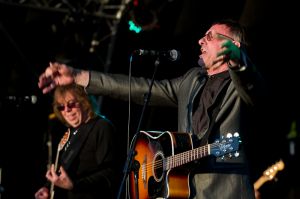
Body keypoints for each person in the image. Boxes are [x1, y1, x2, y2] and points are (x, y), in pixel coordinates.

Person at [37, 19, 267, 199]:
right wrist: (77, 76)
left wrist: (239, 61)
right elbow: (140, 88)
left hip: (224, 192)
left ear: (233, 45)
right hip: (183, 191)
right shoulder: (192, 80)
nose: (200, 41)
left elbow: (253, 85)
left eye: (209, 36)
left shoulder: (243, 82)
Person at [34, 84, 117, 199]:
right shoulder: (70, 132)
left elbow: (110, 173)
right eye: (61, 107)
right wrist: (48, 187)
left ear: (84, 101)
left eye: (71, 104)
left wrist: (75, 185)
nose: (67, 110)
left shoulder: (101, 126)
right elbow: (63, 169)